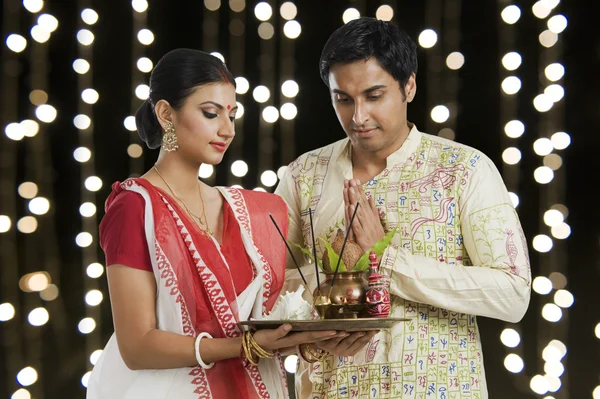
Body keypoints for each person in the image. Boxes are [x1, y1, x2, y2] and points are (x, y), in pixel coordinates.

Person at [275, 18, 531, 399]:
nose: (358, 117)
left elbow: (512, 294)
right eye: (343, 99)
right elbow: (271, 290)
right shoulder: (302, 177)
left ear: (408, 86)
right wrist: (313, 334)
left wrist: (389, 261)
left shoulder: (462, 170)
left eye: (374, 95)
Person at [87, 48, 344, 399]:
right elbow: (137, 347)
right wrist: (246, 347)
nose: (227, 129)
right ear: (166, 114)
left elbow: (263, 317)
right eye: (211, 113)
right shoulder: (135, 206)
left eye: (233, 115)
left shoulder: (246, 211)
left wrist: (304, 338)